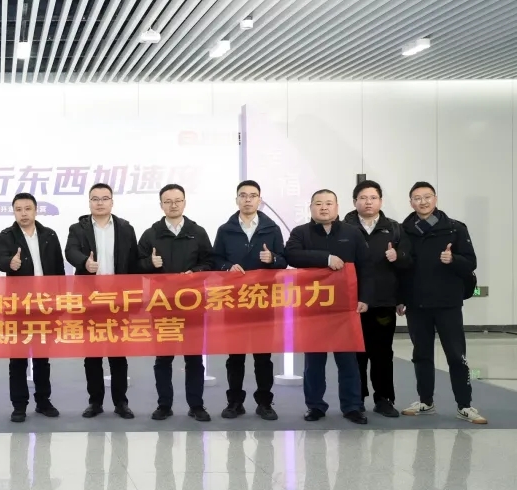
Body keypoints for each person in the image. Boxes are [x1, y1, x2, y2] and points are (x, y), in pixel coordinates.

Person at [397, 181, 487, 424]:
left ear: (435, 199)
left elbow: (471, 262)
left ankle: (464, 405)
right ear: (411, 203)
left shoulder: (455, 228)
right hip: (416, 304)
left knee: (457, 356)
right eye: (417, 198)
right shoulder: (403, 231)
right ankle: (425, 402)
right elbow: (401, 268)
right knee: (421, 355)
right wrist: (400, 298)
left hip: (448, 303)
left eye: (427, 197)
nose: (423, 202)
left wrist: (453, 259)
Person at [285, 189, 371, 425]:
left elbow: (366, 267)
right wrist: (325, 258)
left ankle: (352, 406)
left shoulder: (352, 233)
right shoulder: (301, 232)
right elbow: (291, 255)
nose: (324, 207)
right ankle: (315, 406)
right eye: (319, 203)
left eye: (329, 203)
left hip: (345, 307)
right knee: (314, 362)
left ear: (337, 207)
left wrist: (365, 297)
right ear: (311, 207)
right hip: (313, 307)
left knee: (348, 361)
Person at [210, 180, 285, 421]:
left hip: (263, 301)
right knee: (235, 356)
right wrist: (227, 266)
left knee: (263, 356)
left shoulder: (272, 229)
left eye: (253, 196)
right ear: (237, 200)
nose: (248, 200)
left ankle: (265, 402)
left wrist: (272, 258)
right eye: (243, 195)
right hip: (234, 302)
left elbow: (284, 260)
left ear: (259, 200)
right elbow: (215, 259)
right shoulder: (225, 230)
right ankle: (234, 402)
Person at [137, 184, 213, 422]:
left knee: (194, 358)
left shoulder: (197, 232)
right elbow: (135, 266)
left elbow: (210, 262)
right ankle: (164, 405)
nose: (173, 205)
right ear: (161, 205)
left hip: (193, 305)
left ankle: (196, 405)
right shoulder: (151, 234)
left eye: (177, 200)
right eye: (168, 201)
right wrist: (150, 264)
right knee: (163, 358)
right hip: (162, 305)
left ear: (184, 202)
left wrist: (195, 272)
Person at [64, 183, 140, 419]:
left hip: (118, 300)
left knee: (118, 354)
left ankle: (121, 403)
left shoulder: (126, 228)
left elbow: (134, 263)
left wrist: (134, 298)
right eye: (95, 199)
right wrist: (84, 263)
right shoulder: (78, 228)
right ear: (89, 202)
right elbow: (70, 251)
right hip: (91, 301)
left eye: (104, 198)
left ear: (112, 202)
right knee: (93, 354)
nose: (100, 203)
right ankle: (95, 402)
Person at [0, 192, 65, 423]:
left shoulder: (49, 235)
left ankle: (43, 401)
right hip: (18, 307)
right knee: (18, 359)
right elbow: (0, 261)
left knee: (42, 357)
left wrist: (60, 300)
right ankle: (19, 405)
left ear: (36, 210)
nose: (23, 214)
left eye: (28, 209)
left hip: (45, 306)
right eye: (18, 209)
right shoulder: (6, 236)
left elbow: (58, 269)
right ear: (14, 212)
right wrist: (10, 263)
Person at [344, 180, 404, 418]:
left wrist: (398, 256)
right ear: (354, 202)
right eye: (363, 198)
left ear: (380, 201)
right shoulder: (344, 229)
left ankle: (384, 399)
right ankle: (356, 399)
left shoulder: (395, 229)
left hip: (383, 302)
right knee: (355, 353)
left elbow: (407, 264)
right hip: (352, 302)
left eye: (373, 198)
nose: (368, 202)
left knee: (382, 353)